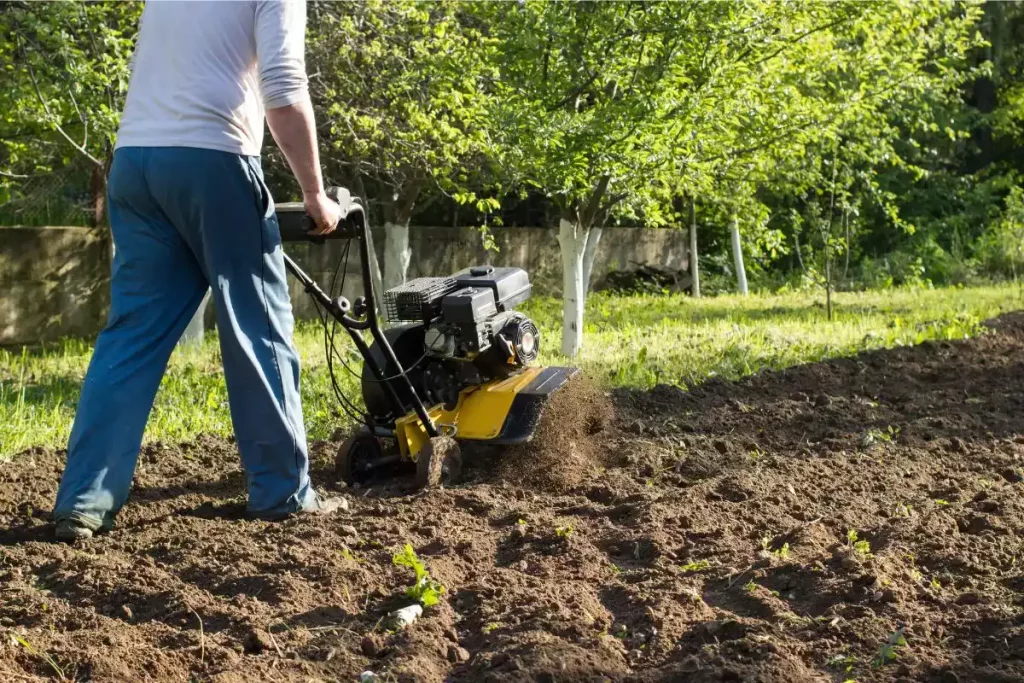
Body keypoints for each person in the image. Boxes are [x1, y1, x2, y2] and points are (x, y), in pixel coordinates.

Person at [52, 0, 344, 542]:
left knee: (131, 337)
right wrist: (314, 193)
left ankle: (83, 503)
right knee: (256, 327)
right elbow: (282, 86)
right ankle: (283, 494)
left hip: (136, 164)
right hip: (213, 158)